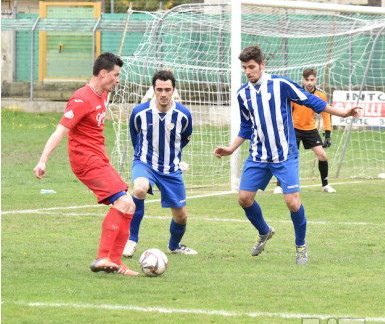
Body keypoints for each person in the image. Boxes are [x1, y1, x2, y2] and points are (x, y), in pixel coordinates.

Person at [213, 46, 360, 265]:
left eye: (252, 67)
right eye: (245, 68)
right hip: (258, 156)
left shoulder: (280, 85)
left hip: (284, 155)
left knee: (292, 203)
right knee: (244, 199)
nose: (248, 72)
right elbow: (246, 126)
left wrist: (343, 113)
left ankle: (300, 246)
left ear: (262, 65)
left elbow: (312, 101)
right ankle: (264, 232)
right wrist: (232, 148)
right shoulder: (243, 94)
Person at [33, 52, 138, 276]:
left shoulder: (102, 95)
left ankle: (115, 263)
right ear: (102, 74)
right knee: (122, 202)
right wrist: (43, 160)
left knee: (130, 205)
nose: (118, 80)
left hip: (99, 159)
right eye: (115, 75)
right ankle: (102, 257)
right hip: (86, 162)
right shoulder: (81, 99)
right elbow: (61, 130)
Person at [123, 69, 196, 258]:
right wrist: (143, 156)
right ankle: (131, 240)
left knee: (181, 217)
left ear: (173, 90)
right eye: (159, 89)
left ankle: (174, 245)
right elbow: (135, 135)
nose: (163, 94)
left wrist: (173, 157)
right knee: (139, 188)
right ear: (153, 89)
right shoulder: (140, 112)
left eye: (167, 89)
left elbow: (185, 138)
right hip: (145, 162)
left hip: (171, 169)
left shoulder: (183, 115)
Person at [273, 67, 336, 194]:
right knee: (287, 157)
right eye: (307, 80)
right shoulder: (296, 92)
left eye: (311, 80)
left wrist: (328, 133)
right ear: (303, 79)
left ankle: (325, 185)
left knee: (322, 155)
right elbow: (287, 111)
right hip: (294, 129)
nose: (309, 83)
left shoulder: (321, 95)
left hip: (310, 129)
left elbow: (325, 114)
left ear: (315, 80)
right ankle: (279, 185)